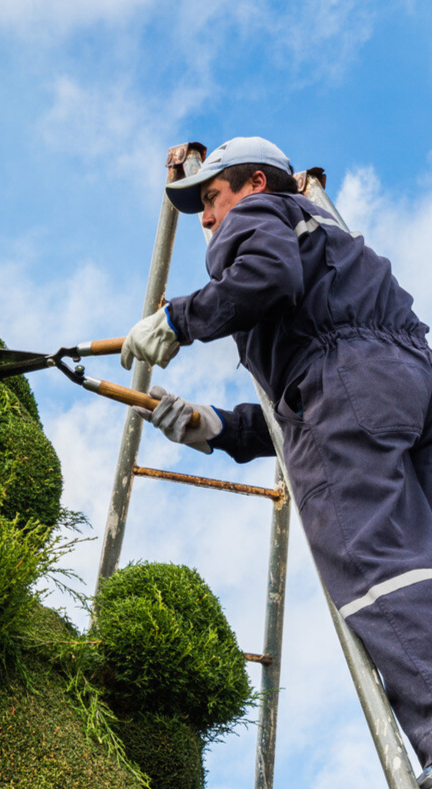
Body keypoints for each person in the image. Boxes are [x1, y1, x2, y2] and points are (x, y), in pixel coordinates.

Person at [120, 136, 432, 788]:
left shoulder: (256, 214)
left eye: (209, 198)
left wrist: (179, 318)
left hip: (351, 382)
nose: (207, 218)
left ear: (254, 181)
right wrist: (217, 428)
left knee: (374, 566)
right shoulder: (326, 239)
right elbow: (317, 398)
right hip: (407, 382)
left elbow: (267, 285)